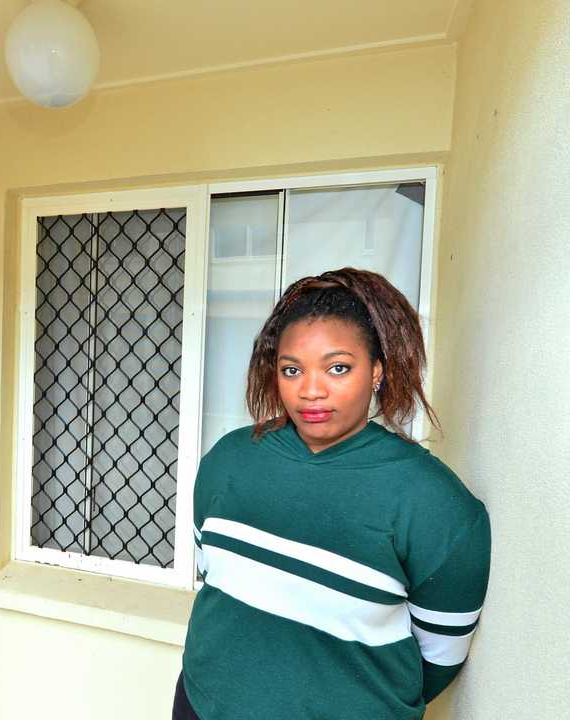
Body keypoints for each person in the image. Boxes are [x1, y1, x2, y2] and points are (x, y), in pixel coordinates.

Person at [174, 267, 491, 719]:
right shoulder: (228, 461)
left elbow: (437, 661)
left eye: (338, 367)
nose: (311, 390)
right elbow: (220, 584)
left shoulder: (435, 504)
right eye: (292, 370)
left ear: (377, 371)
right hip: (200, 705)